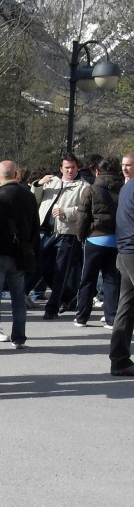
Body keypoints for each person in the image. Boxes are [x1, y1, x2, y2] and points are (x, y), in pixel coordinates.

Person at [0, 160, 40, 350]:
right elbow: (35, 226)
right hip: (21, 253)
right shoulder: (29, 197)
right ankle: (19, 338)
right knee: (18, 297)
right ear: (16, 174)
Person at [31, 154, 86, 319]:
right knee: (42, 267)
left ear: (78, 168)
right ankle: (68, 296)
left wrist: (66, 212)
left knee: (61, 271)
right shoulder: (52, 182)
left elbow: (84, 210)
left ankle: (52, 308)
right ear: (61, 168)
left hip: (67, 233)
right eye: (67, 167)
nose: (70, 170)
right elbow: (35, 199)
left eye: (73, 167)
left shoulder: (83, 186)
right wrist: (38, 184)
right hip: (47, 232)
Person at [74, 158, 121, 328]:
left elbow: (83, 216)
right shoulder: (123, 189)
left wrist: (80, 236)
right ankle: (111, 318)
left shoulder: (91, 190)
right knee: (111, 279)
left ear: (97, 172)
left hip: (95, 238)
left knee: (88, 279)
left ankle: (81, 317)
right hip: (116, 240)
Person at [108, 161, 134, 376]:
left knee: (126, 305)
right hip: (131, 249)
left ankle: (119, 360)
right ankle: (119, 359)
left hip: (125, 250)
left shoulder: (127, 187)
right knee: (126, 305)